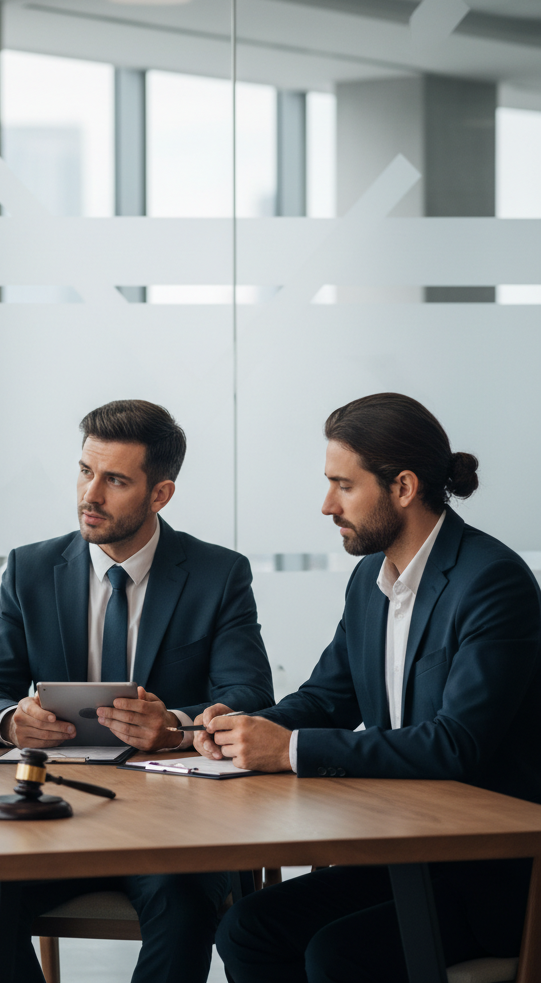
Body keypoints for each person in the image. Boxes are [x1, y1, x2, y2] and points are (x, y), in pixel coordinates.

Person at [198, 393, 541, 983]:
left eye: (343, 485)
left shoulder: (493, 583)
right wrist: (242, 732)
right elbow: (328, 698)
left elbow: (455, 744)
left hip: (486, 876)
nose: (327, 505)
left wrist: (288, 752)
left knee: (337, 955)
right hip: (401, 851)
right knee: (247, 929)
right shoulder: (369, 580)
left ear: (403, 488)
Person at [0, 399, 274, 983]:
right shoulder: (30, 569)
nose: (90, 495)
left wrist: (175, 726)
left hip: (177, 825)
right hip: (57, 810)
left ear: (160, 494)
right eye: (84, 471)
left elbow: (250, 696)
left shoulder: (218, 574)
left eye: (115, 480)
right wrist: (10, 722)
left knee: (184, 903)